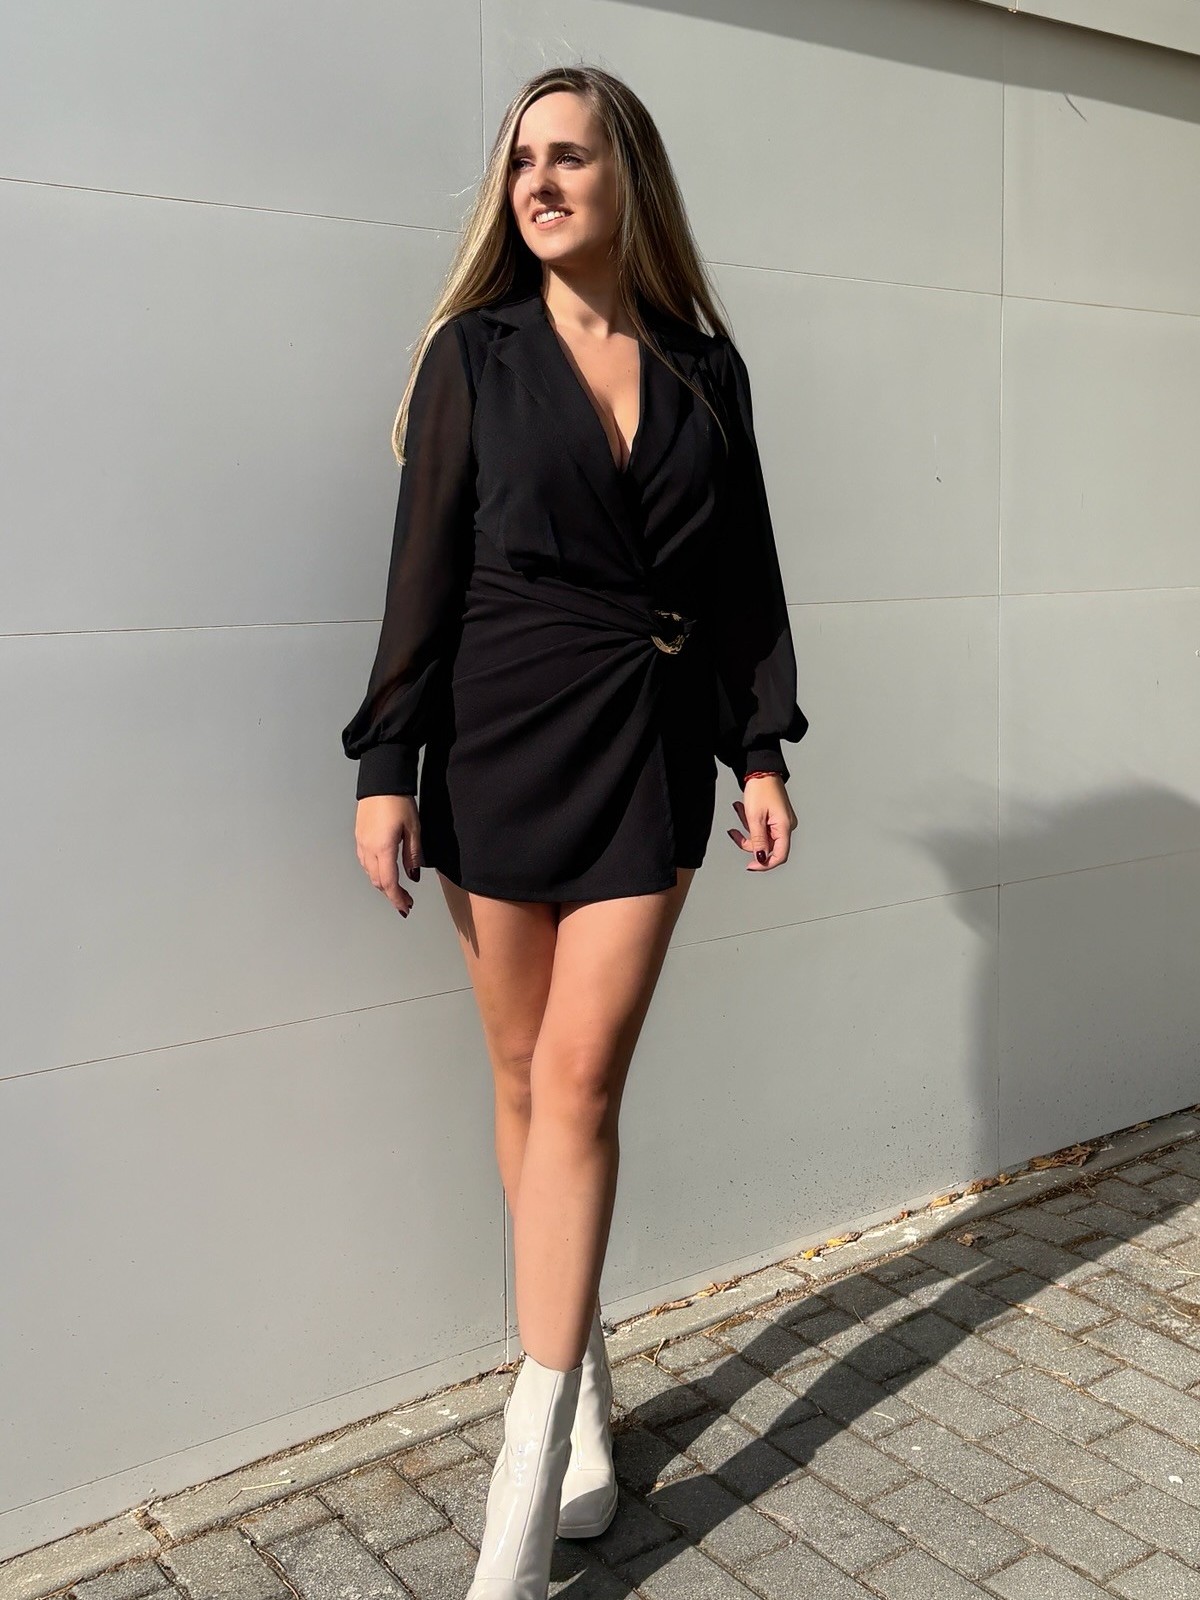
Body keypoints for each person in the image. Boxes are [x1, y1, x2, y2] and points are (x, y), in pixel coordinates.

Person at [340, 63, 808, 1600]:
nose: (538, 180)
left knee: (582, 1079)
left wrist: (758, 745)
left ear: (629, 180)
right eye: (521, 158)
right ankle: (586, 1388)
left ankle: (523, 1486)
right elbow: (422, 564)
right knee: (521, 1077)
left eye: (570, 155)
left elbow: (744, 573)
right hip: (494, 739)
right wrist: (388, 759)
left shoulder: (706, 370)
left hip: (649, 743)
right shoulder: (473, 355)